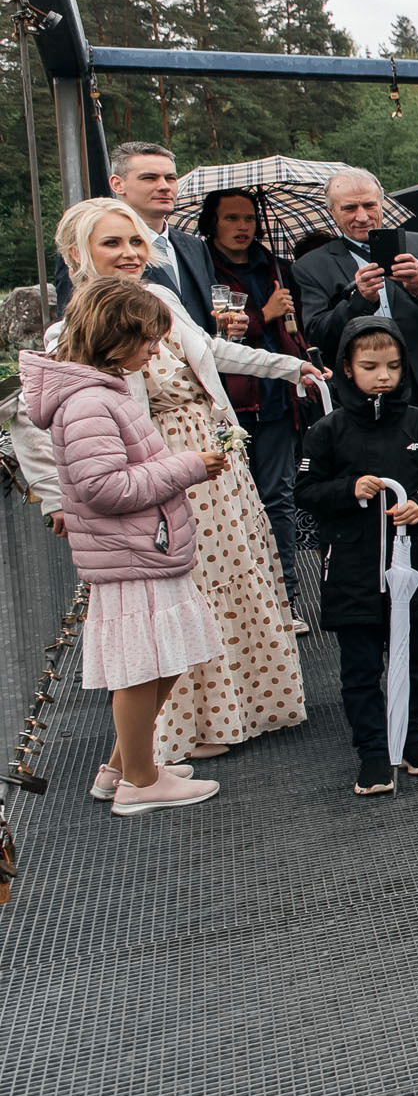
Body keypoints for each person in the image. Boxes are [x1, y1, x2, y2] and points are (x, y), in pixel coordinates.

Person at [17, 199, 323, 764]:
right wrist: (55, 500)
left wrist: (288, 366)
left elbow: (208, 350)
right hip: (156, 470)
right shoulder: (72, 329)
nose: (130, 253)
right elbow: (39, 422)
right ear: (77, 255)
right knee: (179, 601)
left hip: (212, 459)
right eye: (112, 243)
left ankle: (244, 709)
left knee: (233, 581)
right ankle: (177, 736)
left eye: (136, 241)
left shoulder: (160, 298)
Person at [23, 280, 231, 816]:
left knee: (164, 659)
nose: (155, 351)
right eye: (148, 340)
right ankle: (139, 782)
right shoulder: (90, 402)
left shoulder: (99, 392)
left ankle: (123, 767)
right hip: (133, 553)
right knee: (143, 667)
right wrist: (187, 466)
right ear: (115, 337)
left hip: (141, 548)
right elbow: (104, 487)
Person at [294, 170, 418, 647]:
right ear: (332, 213)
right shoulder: (312, 265)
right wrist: (358, 300)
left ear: (382, 203)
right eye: (349, 208)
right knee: (371, 501)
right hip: (360, 405)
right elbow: (317, 332)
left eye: (369, 205)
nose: (361, 216)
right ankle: (374, 600)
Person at [297, 323, 418, 796]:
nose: (383, 376)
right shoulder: (327, 431)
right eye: (369, 367)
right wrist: (349, 489)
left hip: (413, 567)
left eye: (392, 366)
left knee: (413, 660)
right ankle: (371, 751)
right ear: (347, 369)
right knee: (360, 667)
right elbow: (305, 490)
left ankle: (411, 740)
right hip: (352, 568)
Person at [201, 187, 311, 619]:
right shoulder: (201, 269)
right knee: (229, 503)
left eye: (248, 218)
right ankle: (242, 606)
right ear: (213, 224)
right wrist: (263, 316)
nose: (242, 226)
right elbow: (207, 337)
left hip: (277, 401)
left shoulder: (277, 268)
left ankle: (286, 599)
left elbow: (296, 332)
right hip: (228, 403)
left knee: (278, 500)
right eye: (231, 218)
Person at [52, 142, 219, 332]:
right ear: (117, 184)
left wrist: (225, 327)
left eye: (170, 178)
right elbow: (75, 325)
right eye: (149, 178)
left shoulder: (195, 245)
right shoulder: (85, 247)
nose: (164, 186)